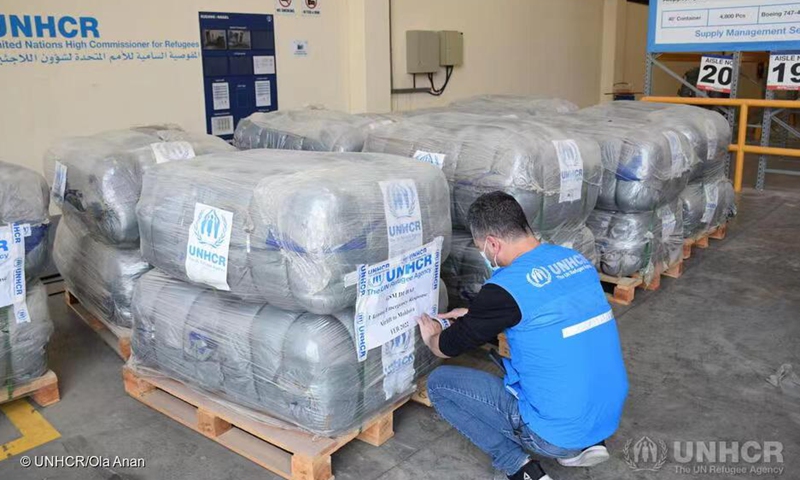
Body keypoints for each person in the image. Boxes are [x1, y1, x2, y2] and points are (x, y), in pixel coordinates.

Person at [417, 191, 629, 480]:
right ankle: (585, 443)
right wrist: (474, 316)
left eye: (482, 248)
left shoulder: (505, 287)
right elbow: (546, 312)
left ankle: (519, 468)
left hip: (556, 432)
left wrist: (432, 336)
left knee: (440, 383)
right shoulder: (573, 259)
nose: (485, 255)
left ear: (493, 244)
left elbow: (447, 347)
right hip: (605, 415)